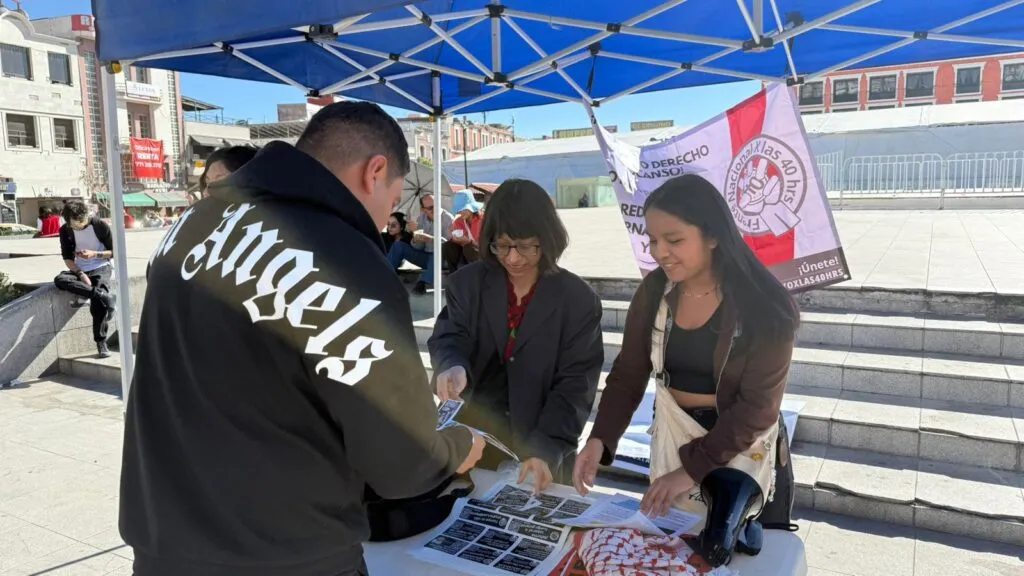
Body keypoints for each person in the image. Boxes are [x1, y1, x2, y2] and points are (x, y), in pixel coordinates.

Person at [122, 101, 484, 576]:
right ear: (375, 172)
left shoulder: (194, 222)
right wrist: (459, 446)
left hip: (164, 541)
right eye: (394, 199)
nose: (386, 220)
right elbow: (404, 462)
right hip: (285, 553)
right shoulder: (344, 256)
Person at [574, 174, 799, 526]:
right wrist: (600, 439)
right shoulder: (654, 292)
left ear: (713, 236)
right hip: (673, 439)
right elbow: (629, 374)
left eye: (674, 240)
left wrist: (691, 470)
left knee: (729, 542)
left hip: (740, 448)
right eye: (652, 240)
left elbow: (758, 408)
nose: (659, 252)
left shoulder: (766, 306)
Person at [429, 179, 604, 492]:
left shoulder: (577, 300)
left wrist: (545, 447)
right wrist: (452, 365)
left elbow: (576, 384)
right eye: (502, 245)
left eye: (526, 246)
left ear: (547, 239)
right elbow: (449, 336)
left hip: (541, 443)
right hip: (473, 442)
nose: (513, 258)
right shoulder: (467, 284)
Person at [53, 199, 116, 358]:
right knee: (60, 280)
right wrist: (80, 273)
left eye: (81, 223)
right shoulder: (65, 230)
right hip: (80, 268)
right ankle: (102, 295)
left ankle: (101, 342)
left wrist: (95, 254)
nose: (79, 227)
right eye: (74, 225)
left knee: (98, 305)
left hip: (101, 265)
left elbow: (115, 251)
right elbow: (67, 258)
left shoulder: (99, 225)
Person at [387, 193, 453, 294]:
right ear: (423, 210)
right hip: (425, 256)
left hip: (441, 258)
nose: (434, 210)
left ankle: (423, 283)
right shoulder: (420, 219)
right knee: (398, 245)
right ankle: (385, 274)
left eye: (436, 205)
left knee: (437, 252)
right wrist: (415, 237)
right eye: (430, 208)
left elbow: (449, 245)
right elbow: (418, 247)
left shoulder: (448, 219)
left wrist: (430, 239)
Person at [445, 190, 484, 272]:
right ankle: (453, 274)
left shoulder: (484, 219)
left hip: (482, 254)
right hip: (464, 254)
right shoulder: (458, 221)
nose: (461, 212)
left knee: (468, 247)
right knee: (448, 245)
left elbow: (487, 245)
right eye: (459, 210)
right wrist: (453, 238)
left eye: (463, 209)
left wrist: (470, 241)